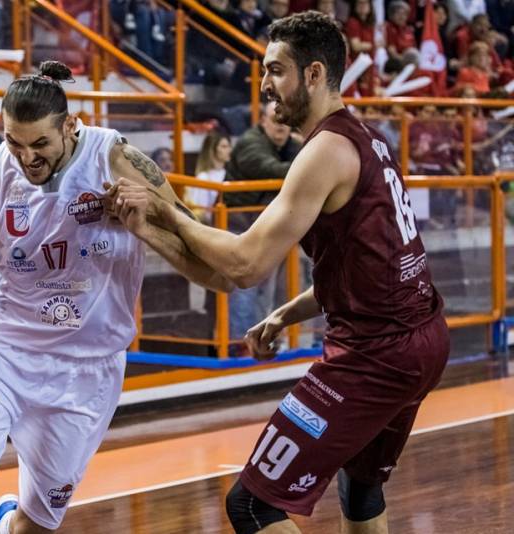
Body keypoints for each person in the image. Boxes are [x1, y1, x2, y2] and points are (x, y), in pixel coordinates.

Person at [0, 60, 231, 534]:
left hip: (85, 370)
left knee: (34, 527)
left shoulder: (118, 161)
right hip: (0, 355)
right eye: (14, 141)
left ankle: (7, 524)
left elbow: (209, 266)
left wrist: (145, 226)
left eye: (40, 143)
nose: (27, 157)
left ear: (71, 126)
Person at [107, 12, 448, 533]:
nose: (265, 83)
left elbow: (244, 265)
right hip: (422, 338)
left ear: (313, 74)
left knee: (253, 504)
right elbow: (365, 269)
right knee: (360, 488)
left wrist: (166, 209)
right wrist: (286, 313)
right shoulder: (368, 139)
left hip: (377, 355)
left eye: (276, 70)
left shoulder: (325, 152)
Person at [221, 101, 300, 355]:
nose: (280, 127)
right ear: (263, 121)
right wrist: (312, 167)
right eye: (274, 120)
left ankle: (268, 340)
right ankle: (239, 345)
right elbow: (270, 169)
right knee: (246, 286)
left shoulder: (290, 144)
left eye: (284, 122)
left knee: (273, 288)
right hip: (237, 225)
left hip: (266, 227)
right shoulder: (250, 143)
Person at [185, 130, 232, 223]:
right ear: (212, 149)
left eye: (229, 146)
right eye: (224, 146)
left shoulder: (230, 174)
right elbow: (201, 213)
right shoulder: (203, 177)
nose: (229, 150)